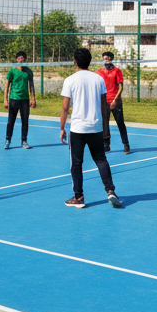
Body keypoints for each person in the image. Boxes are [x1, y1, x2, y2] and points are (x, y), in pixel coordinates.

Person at [60, 48, 121, 208]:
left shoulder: (70, 80)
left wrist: (61, 128)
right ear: (89, 61)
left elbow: (65, 107)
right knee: (101, 160)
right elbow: (103, 105)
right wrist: (103, 127)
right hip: (96, 128)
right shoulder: (98, 79)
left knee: (76, 164)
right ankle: (111, 191)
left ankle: (78, 197)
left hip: (78, 129)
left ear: (75, 61)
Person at [97, 51, 131, 154]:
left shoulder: (117, 71)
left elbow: (121, 87)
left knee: (120, 123)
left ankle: (126, 145)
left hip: (116, 102)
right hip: (104, 102)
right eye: (104, 59)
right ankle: (106, 145)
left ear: (111, 59)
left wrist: (115, 100)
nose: (106, 60)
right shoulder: (99, 72)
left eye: (108, 59)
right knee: (104, 124)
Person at [3, 50, 36, 149]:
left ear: (25, 60)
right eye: (19, 58)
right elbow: (7, 86)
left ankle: (24, 141)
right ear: (16, 60)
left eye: (22, 58)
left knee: (25, 121)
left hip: (25, 100)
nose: (21, 60)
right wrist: (5, 99)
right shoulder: (12, 70)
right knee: (11, 121)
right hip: (13, 99)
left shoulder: (28, 71)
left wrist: (33, 98)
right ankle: (8, 140)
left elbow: (31, 85)